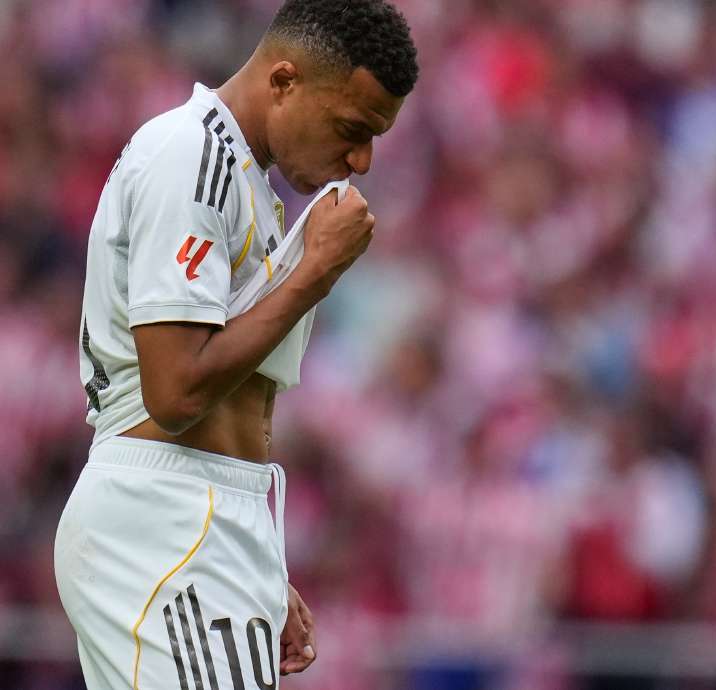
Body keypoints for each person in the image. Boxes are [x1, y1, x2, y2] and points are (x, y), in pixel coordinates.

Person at [52, 1, 418, 687]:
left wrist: (259, 563)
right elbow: (176, 388)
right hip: (162, 521)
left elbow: (232, 409)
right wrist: (312, 273)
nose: (360, 161)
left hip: (206, 524)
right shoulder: (190, 156)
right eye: (351, 129)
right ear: (284, 81)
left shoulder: (241, 179)